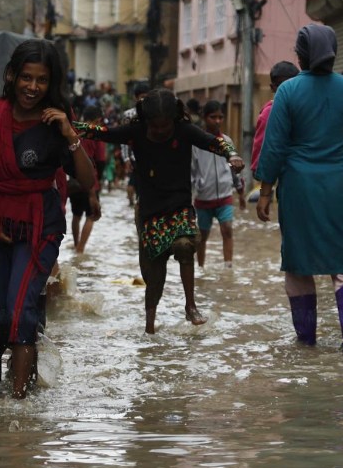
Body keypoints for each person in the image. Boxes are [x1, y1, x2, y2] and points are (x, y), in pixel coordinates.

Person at [0, 40, 98, 397]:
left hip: (40, 227)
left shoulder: (55, 122)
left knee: (20, 310)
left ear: (51, 82)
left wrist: (71, 135)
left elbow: (87, 181)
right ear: (12, 75)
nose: (32, 87)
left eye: (41, 80)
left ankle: (18, 407)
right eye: (26, 78)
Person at [254, 24, 343, 352]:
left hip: (299, 187)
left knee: (299, 263)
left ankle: (307, 340)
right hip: (342, 185)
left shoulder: (287, 91)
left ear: (301, 55)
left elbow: (274, 146)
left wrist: (266, 191)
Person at [76, 89, 245, 333]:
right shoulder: (135, 132)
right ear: (145, 121)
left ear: (174, 120)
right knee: (154, 277)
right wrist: (67, 124)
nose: (159, 131)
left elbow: (214, 142)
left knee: (186, 246)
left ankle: (190, 306)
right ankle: (150, 329)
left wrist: (232, 155)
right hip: (150, 213)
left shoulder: (184, 131)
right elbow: (102, 133)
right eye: (154, 126)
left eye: (165, 126)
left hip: (180, 208)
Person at [192, 100, 245, 269]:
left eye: (220, 117)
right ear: (204, 117)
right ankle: (200, 269)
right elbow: (191, 170)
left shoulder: (227, 141)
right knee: (202, 236)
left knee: (227, 229)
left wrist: (241, 192)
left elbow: (234, 167)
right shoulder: (196, 143)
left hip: (224, 195)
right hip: (203, 197)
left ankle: (228, 268)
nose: (217, 121)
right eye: (213, 117)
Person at [67, 105, 106, 253]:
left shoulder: (75, 131)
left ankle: (76, 243)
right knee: (91, 216)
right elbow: (101, 161)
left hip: (75, 181)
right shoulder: (96, 134)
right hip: (91, 182)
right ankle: (81, 249)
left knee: (76, 215)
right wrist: (99, 181)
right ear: (97, 120)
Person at [251, 61, 300, 175]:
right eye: (281, 85)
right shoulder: (268, 113)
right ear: (272, 87)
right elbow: (260, 148)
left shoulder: (303, 109)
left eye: (290, 85)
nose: (286, 90)